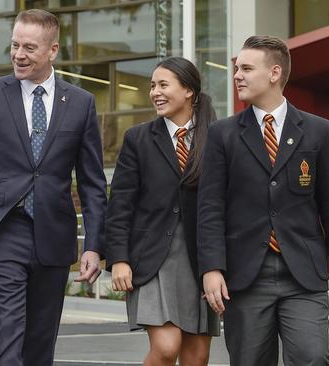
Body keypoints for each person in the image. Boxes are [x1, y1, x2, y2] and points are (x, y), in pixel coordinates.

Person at [198, 35, 329, 365]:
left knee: (311, 358)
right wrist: (212, 268)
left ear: (274, 73)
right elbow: (210, 208)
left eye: (246, 68)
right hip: (245, 275)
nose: (237, 75)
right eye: (236, 68)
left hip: (303, 272)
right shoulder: (222, 134)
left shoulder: (317, 130)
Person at [0, 8, 107, 366]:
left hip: (53, 237)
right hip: (1, 230)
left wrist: (93, 245)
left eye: (29, 47)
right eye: (14, 45)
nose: (18, 55)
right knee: (8, 330)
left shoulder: (81, 103)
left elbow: (92, 182)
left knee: (41, 344)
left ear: (53, 50)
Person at [106, 57, 219, 366]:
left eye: (163, 85)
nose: (155, 92)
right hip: (152, 259)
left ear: (188, 91)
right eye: (152, 86)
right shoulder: (138, 139)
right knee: (167, 348)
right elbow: (119, 206)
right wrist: (118, 259)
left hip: (201, 261)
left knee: (197, 358)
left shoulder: (218, 137)